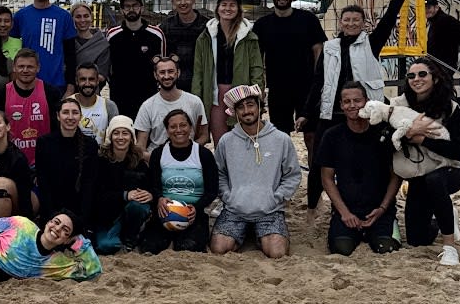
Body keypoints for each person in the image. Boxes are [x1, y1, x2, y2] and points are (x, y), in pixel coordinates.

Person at [299, 0, 413, 207]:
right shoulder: (330, 47)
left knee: (371, 160)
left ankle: (375, 202)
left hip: (365, 113)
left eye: (356, 20)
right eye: (347, 20)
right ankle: (312, 207)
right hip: (332, 112)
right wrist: (306, 113)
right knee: (319, 163)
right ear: (340, 23)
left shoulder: (371, 43)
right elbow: (318, 82)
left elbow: (391, 15)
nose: (351, 23)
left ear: (363, 23)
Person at [210, 85, 302, 259]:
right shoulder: (226, 141)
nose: (246, 111)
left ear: (260, 106)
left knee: (277, 252)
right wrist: (228, 196)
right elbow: (219, 173)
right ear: (235, 111)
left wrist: (277, 197)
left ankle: (259, 234)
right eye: (240, 107)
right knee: (219, 248)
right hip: (235, 209)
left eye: (251, 104)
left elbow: (292, 175)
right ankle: (247, 232)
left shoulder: (281, 139)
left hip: (269, 210)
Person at [317, 81, 400, 257]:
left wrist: (383, 209)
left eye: (357, 100)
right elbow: (327, 178)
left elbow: (396, 175)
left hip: (380, 210)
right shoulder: (332, 136)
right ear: (341, 105)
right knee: (341, 249)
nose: (352, 105)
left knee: (386, 248)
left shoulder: (384, 133)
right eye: (347, 101)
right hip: (346, 210)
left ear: (367, 102)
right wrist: (345, 213)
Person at [399, 56, 460, 266]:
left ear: (435, 78)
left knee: (434, 180)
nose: (416, 79)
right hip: (418, 172)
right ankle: (444, 215)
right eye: (411, 75)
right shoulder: (400, 104)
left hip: (449, 170)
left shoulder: (451, 108)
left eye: (422, 74)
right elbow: (386, 138)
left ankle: (449, 247)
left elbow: (459, 151)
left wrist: (422, 138)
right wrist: (408, 133)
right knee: (416, 239)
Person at [253, 0, 326, 140]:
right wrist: (260, 87)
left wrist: (318, 81)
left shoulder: (308, 19)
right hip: (278, 88)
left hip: (307, 87)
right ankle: (283, 166)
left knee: (312, 135)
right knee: (280, 136)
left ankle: (314, 167)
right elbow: (257, 58)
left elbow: (318, 50)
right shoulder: (262, 24)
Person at [141, 108, 220, 255]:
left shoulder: (203, 154)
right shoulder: (158, 154)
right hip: (164, 213)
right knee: (150, 247)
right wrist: (159, 199)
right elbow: (152, 185)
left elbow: (212, 190)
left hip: (193, 214)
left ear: (190, 127)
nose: (178, 130)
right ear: (167, 130)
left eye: (183, 125)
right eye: (173, 126)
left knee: (189, 248)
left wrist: (196, 207)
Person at [192, 0, 265, 144]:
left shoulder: (249, 37)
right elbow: (198, 71)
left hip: (241, 93)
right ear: (217, 8)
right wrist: (196, 97)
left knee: (244, 140)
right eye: (224, 5)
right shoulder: (205, 37)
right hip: (214, 96)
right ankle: (222, 169)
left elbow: (257, 68)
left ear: (238, 9)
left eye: (232, 5)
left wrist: (257, 95)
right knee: (221, 141)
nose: (228, 8)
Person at [34, 96, 98, 233]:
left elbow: (89, 185)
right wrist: (52, 217)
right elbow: (43, 183)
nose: (70, 117)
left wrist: (82, 220)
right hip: (52, 212)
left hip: (79, 212)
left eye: (75, 112)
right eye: (65, 112)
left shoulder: (90, 145)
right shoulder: (44, 143)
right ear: (58, 116)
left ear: (80, 116)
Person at [0, 48, 61, 174]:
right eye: (21, 66)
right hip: (12, 161)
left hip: (44, 161)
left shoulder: (51, 93)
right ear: (14, 68)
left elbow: (57, 129)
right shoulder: (2, 94)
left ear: (38, 68)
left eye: (30, 66)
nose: (25, 70)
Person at [93, 117, 152, 253]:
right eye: (116, 133)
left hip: (130, 212)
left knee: (137, 207)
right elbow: (97, 195)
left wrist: (150, 194)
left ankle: (130, 239)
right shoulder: (100, 162)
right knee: (106, 246)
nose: (121, 137)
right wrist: (125, 195)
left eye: (125, 133)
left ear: (131, 137)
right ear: (110, 136)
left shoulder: (139, 162)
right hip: (107, 217)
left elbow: (151, 185)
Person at [106, 0, 166, 121]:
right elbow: (108, 67)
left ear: (142, 8)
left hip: (149, 97)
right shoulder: (112, 35)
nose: (131, 9)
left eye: (135, 5)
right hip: (120, 96)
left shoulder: (156, 35)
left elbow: (163, 67)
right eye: (127, 6)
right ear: (121, 10)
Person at [11, 0, 76, 92]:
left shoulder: (64, 16)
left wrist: (70, 88)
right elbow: (7, 44)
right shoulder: (20, 16)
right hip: (26, 85)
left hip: (56, 85)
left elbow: (71, 55)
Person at [132, 55, 208, 152]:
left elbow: (204, 136)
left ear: (178, 73)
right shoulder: (147, 106)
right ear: (155, 75)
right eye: (162, 72)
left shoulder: (195, 102)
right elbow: (141, 145)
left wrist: (190, 151)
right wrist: (153, 159)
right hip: (157, 157)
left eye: (171, 71)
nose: (167, 76)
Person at [160, 0, 206, 91]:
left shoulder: (207, 26)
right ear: (173, 2)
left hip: (201, 82)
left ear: (193, 0)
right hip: (173, 83)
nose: (183, 3)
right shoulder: (165, 26)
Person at [73, 62, 117, 146]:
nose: (87, 83)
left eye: (91, 79)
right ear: (76, 81)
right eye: (83, 79)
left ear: (97, 81)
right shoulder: (67, 105)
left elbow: (115, 137)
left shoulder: (109, 106)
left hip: (100, 156)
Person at [71, 3, 110, 82]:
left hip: (91, 90)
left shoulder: (102, 44)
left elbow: (102, 75)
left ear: (91, 18)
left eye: (86, 16)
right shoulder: (66, 41)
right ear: (72, 19)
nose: (82, 20)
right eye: (78, 17)